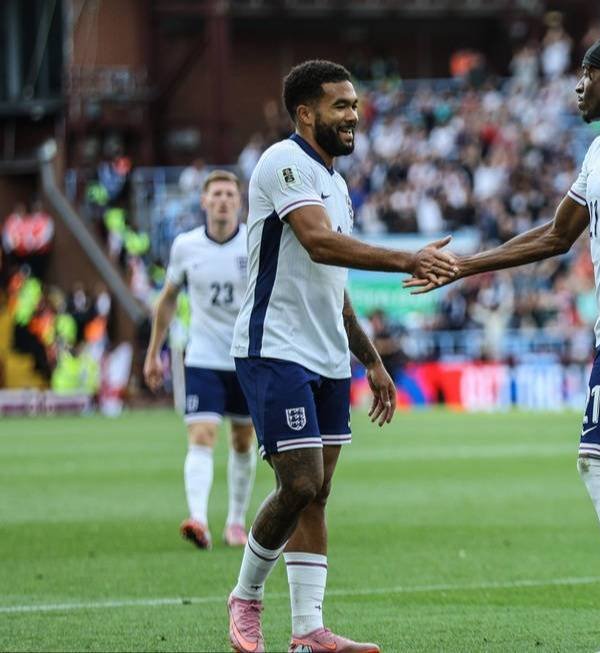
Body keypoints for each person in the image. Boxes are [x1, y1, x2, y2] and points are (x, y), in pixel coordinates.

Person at [407, 32, 600, 653]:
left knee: (597, 463)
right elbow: (555, 236)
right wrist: (466, 265)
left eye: (586, 74)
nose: (578, 87)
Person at [225, 60, 458, 653]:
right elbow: (318, 242)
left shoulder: (336, 184)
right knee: (299, 482)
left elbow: (336, 287)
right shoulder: (283, 162)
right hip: (275, 346)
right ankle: (246, 596)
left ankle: (308, 630)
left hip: (328, 354)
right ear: (306, 113)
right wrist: (407, 259)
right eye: (341, 106)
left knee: (319, 491)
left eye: (354, 105)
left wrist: (371, 360)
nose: (353, 115)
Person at [143, 170, 258, 551]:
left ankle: (236, 522)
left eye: (229, 194)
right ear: (204, 201)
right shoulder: (186, 246)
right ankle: (199, 520)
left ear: (239, 201)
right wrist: (154, 352)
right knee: (202, 434)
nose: (223, 200)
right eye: (216, 194)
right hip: (203, 356)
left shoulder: (254, 242)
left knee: (242, 439)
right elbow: (167, 300)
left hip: (246, 357)